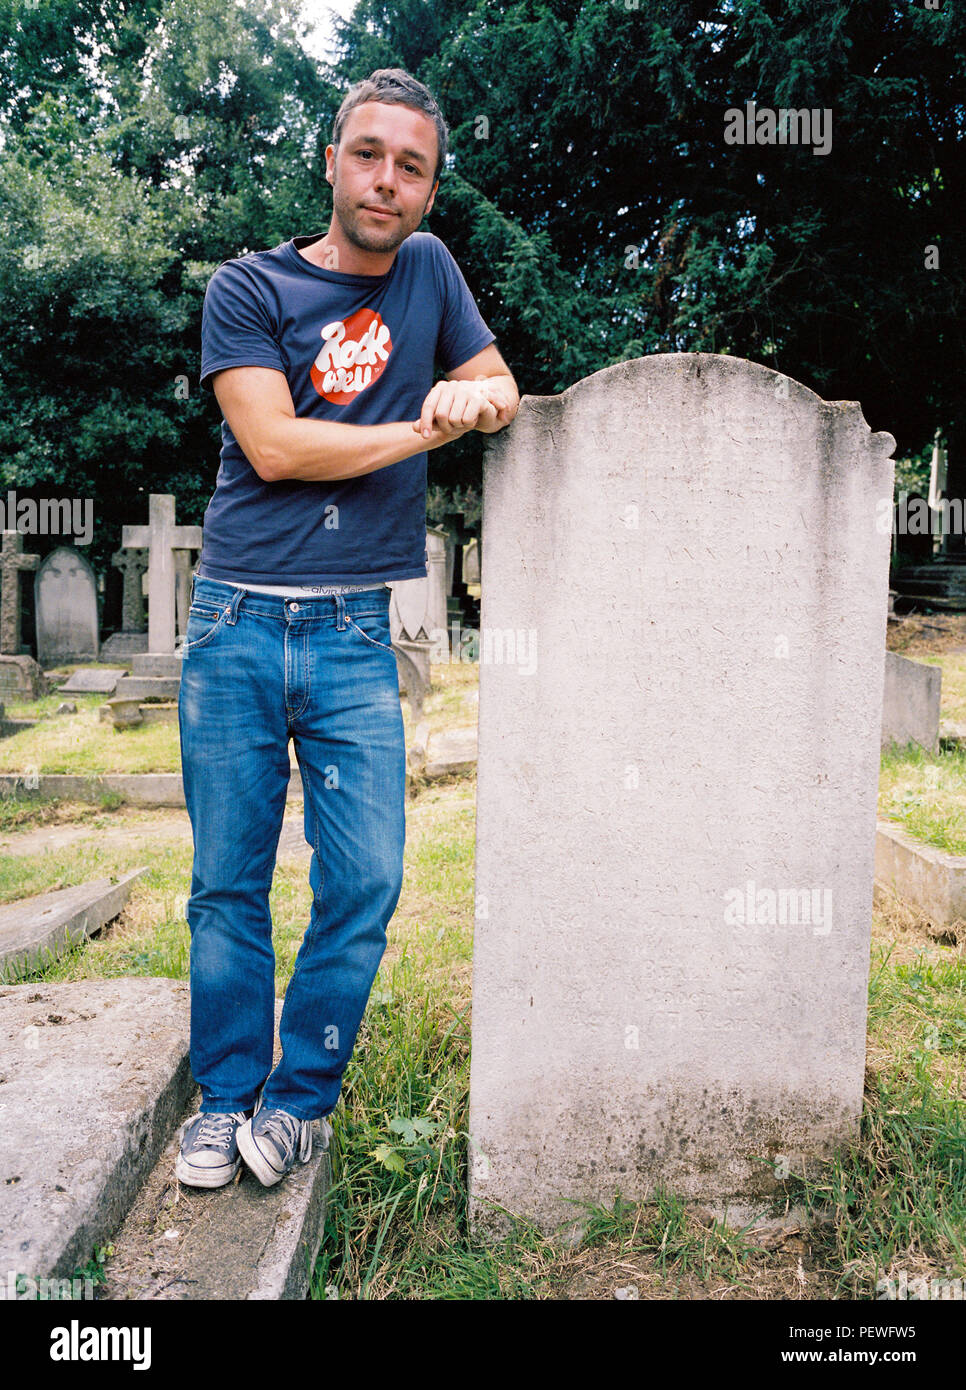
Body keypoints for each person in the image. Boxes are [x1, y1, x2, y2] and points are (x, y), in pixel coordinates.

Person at [175, 68, 518, 1189]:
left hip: (355, 635)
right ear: (332, 161)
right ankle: (224, 1097)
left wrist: (483, 399)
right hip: (236, 622)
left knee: (364, 877)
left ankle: (298, 1095)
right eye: (368, 155)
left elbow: (497, 381)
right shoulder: (248, 287)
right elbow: (276, 447)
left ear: (428, 189)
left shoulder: (429, 273)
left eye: (410, 166)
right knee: (228, 880)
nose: (386, 180)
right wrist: (426, 429)